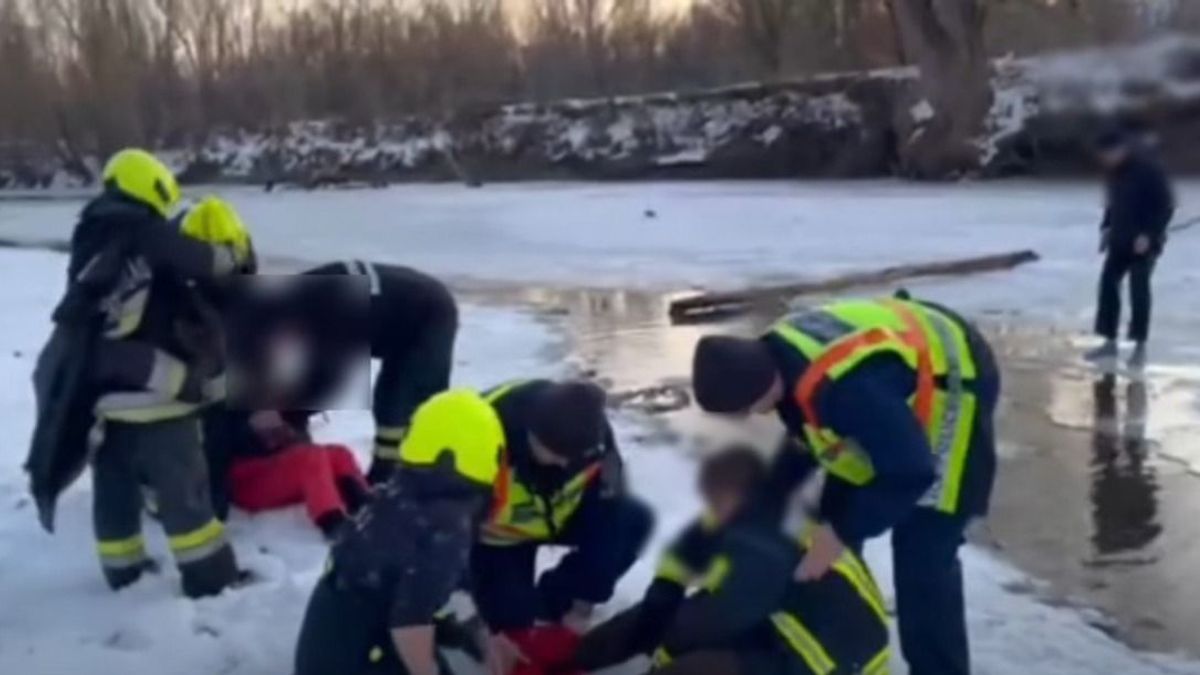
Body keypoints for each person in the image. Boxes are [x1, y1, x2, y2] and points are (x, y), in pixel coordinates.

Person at [691, 294, 1000, 675]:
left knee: (923, 552)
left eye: (748, 407)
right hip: (896, 367)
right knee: (833, 513)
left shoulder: (844, 391)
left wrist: (838, 534)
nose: (752, 415)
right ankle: (842, 628)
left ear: (759, 388)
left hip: (955, 374)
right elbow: (807, 436)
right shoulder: (776, 357)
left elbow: (911, 471)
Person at [30, 150, 255, 598]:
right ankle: (211, 578)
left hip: (101, 394)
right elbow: (212, 263)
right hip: (154, 397)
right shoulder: (144, 232)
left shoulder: (91, 237)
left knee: (115, 489)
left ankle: (123, 572)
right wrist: (234, 252)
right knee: (185, 493)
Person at [566, 446, 890, 675]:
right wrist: (579, 655)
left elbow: (714, 618)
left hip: (831, 659)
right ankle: (571, 658)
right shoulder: (733, 521)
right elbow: (674, 582)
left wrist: (663, 648)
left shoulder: (767, 549)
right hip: (783, 628)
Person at [293, 389, 505, 675]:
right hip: (360, 655)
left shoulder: (399, 495)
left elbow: (417, 579)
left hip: (328, 646)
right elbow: (410, 623)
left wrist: (475, 630)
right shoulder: (447, 527)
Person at [470, 379, 654, 674]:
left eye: (572, 458)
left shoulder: (593, 436)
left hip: (560, 517)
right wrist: (489, 620)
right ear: (530, 431)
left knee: (635, 521)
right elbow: (445, 529)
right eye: (554, 453)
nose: (563, 464)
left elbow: (610, 517)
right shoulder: (481, 431)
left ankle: (550, 601)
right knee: (510, 635)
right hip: (499, 539)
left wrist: (584, 602)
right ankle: (507, 608)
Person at [227, 260, 458, 484]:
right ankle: (390, 472)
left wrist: (288, 417)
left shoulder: (323, 316)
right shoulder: (295, 299)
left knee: (400, 404)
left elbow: (325, 380)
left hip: (430, 314)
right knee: (387, 399)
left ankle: (403, 474)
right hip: (400, 308)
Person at [202, 408, 370, 538]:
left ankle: (363, 505)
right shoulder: (223, 407)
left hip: (276, 468)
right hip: (246, 481)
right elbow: (216, 454)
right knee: (310, 457)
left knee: (339, 453)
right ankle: (332, 523)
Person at [1086, 128, 1175, 370]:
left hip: (1144, 243)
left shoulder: (1149, 170)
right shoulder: (1114, 173)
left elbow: (1166, 206)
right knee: (1108, 285)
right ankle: (1109, 341)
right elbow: (1112, 205)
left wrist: (1149, 235)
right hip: (1119, 238)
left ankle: (1139, 347)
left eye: (1107, 155)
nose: (1105, 160)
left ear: (1120, 150)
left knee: (1139, 290)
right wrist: (1106, 228)